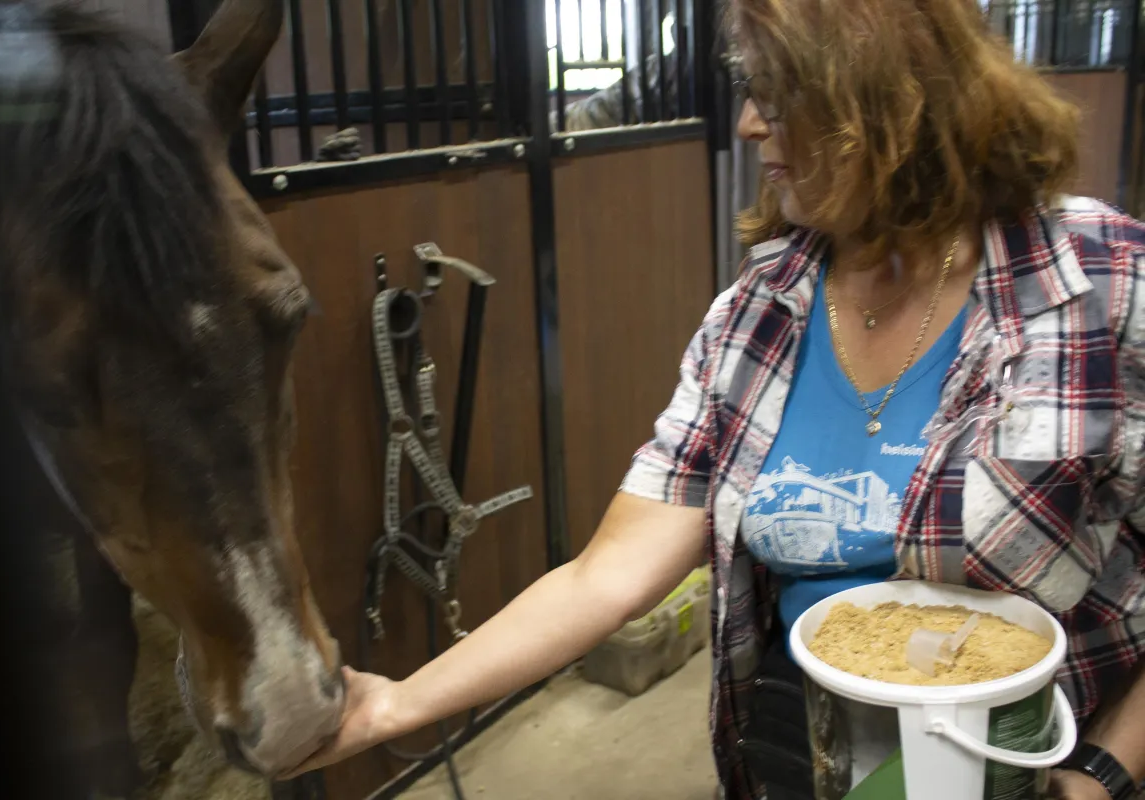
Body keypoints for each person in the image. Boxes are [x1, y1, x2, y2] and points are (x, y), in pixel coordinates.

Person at [282, 1, 1145, 797]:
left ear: (892, 97)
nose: (748, 124)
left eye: (781, 93)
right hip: (798, 739)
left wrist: (1106, 771)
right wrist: (392, 706)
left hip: (1021, 757)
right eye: (748, 89)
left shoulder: (1100, 281)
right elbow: (607, 575)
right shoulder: (757, 313)